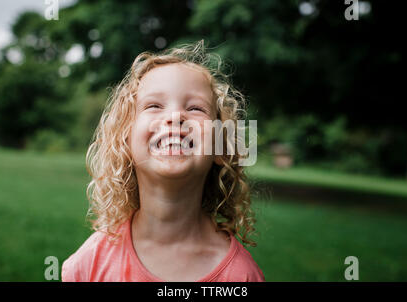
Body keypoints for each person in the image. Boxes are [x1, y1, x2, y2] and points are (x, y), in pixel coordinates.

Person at [61, 40, 264, 282]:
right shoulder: (89, 264)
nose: (175, 116)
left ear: (221, 146)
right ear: (125, 141)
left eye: (196, 108)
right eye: (154, 105)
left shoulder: (241, 276)